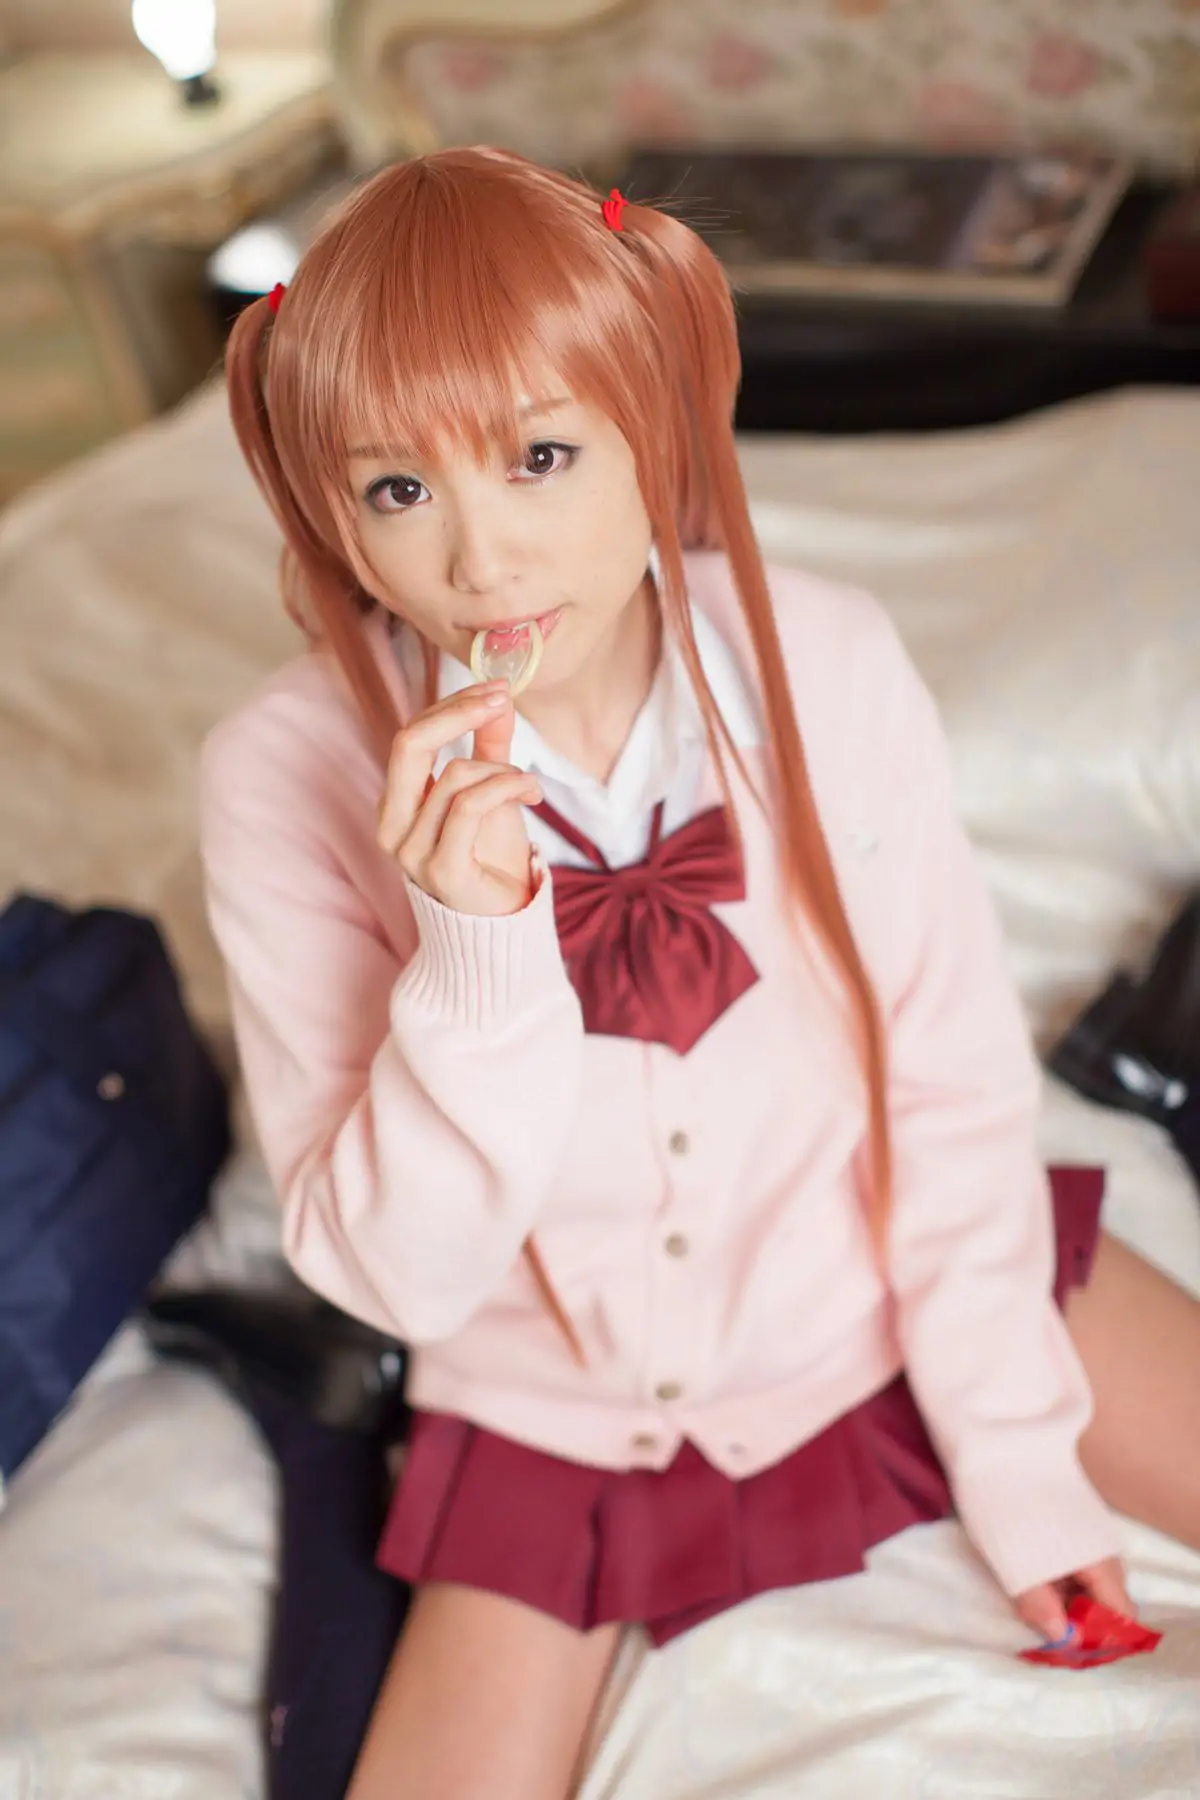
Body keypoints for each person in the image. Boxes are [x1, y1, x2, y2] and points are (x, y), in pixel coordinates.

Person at [200, 148, 1200, 1800]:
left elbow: (948, 1083)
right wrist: (472, 949)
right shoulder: (275, 772)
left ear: (650, 422)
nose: (481, 561)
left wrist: (1019, 1461)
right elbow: (397, 1279)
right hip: (549, 1403)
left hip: (877, 1265)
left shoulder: (827, 655)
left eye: (538, 456)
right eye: (397, 490)